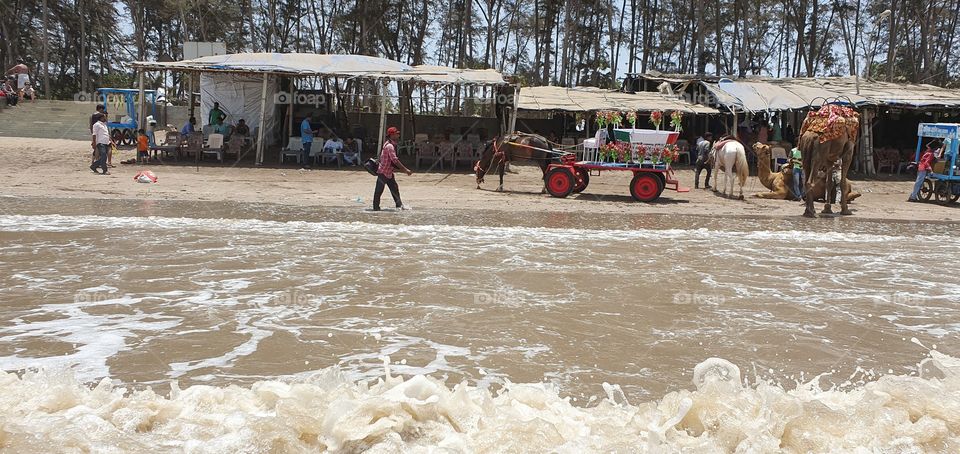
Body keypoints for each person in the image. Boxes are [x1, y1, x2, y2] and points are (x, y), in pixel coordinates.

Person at [374, 126, 412, 211]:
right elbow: (395, 160)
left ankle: (399, 206)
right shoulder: (390, 146)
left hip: (388, 172)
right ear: (392, 135)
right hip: (383, 172)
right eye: (396, 134)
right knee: (378, 192)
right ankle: (376, 209)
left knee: (395, 190)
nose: (398, 135)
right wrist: (405, 170)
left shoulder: (387, 144)